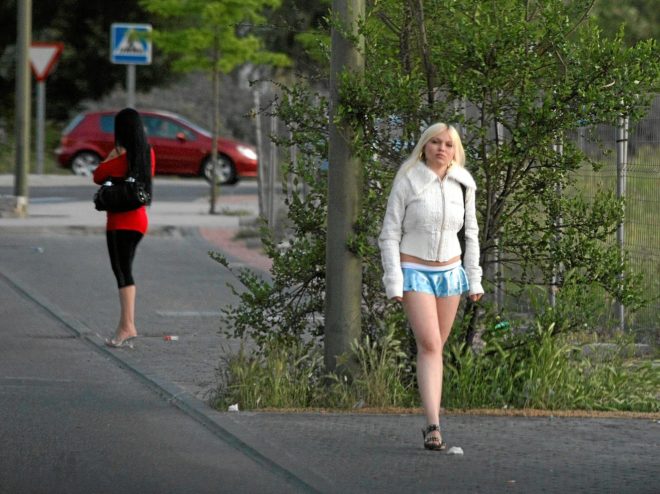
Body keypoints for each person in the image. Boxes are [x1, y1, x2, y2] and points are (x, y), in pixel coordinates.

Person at [378, 122, 484, 450]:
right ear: (424, 146)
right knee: (429, 344)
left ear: (456, 151)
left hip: (451, 273)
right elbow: (389, 233)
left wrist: (474, 277)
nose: (442, 149)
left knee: (437, 347)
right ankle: (433, 425)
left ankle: (433, 420)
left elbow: (470, 234)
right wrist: (393, 280)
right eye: (435, 142)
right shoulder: (408, 179)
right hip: (415, 271)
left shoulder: (464, 183)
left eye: (448, 144)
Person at [93, 108, 155, 348]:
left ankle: (127, 325)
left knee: (122, 271)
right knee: (125, 269)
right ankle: (124, 325)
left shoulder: (120, 156)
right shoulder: (147, 153)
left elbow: (98, 175)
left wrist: (112, 153)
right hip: (139, 220)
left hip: (120, 221)